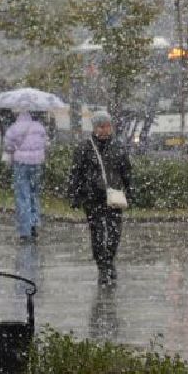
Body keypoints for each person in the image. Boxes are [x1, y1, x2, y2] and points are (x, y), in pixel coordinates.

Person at [68, 111, 133, 286]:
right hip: (92, 197)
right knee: (97, 234)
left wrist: (130, 191)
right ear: (95, 128)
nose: (105, 129)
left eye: (107, 126)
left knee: (114, 233)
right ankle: (102, 267)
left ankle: (110, 260)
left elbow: (126, 171)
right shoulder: (85, 147)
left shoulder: (118, 146)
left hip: (114, 197)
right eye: (101, 126)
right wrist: (74, 195)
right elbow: (76, 173)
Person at [2, 109, 49, 241]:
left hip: (21, 164)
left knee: (23, 196)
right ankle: (34, 225)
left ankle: (25, 231)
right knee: (34, 194)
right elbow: (46, 144)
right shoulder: (39, 127)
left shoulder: (14, 128)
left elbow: (8, 146)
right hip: (36, 164)